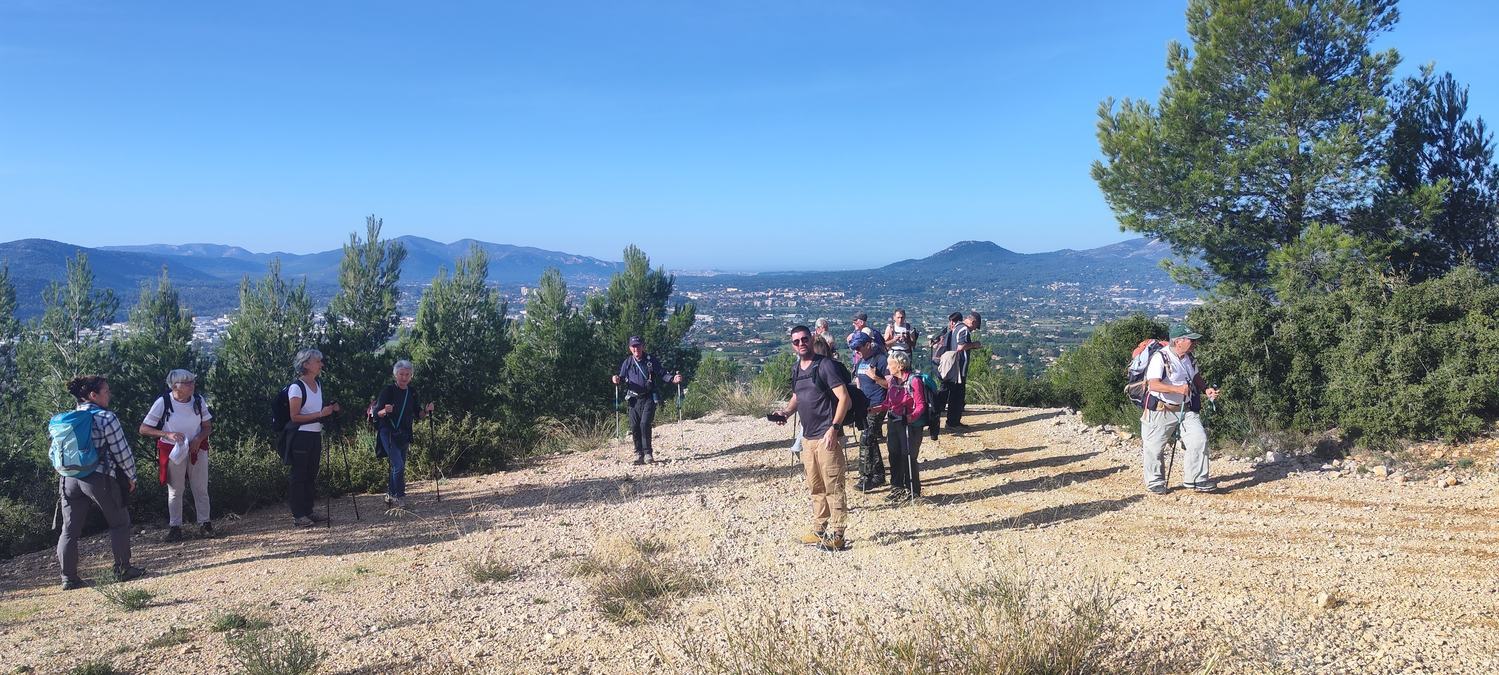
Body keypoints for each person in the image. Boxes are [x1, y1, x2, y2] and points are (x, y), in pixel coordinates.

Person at [56, 375, 145, 589]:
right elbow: (121, 451)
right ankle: (123, 569)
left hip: (69, 478)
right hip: (99, 477)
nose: (109, 395)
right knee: (119, 522)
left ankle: (68, 578)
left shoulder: (69, 418)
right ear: (92, 395)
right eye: (106, 392)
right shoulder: (106, 417)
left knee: (69, 529)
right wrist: (131, 476)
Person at [769, 325, 852, 551]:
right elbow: (797, 396)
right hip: (808, 438)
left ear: (812, 338)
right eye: (796, 341)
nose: (800, 344)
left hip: (827, 437)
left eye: (804, 339)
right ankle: (819, 529)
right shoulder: (797, 369)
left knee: (833, 486)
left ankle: (838, 534)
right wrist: (785, 413)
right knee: (815, 487)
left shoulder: (824, 366)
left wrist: (834, 428)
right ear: (792, 345)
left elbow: (844, 398)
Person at [1141, 323, 1221, 494]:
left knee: (1199, 440)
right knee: (1154, 447)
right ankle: (1155, 482)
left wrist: (1205, 389)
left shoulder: (1189, 358)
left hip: (1186, 409)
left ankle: (1197, 480)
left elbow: (1196, 376)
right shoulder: (1160, 358)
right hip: (1161, 409)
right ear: (1178, 341)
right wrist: (1177, 389)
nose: (1194, 343)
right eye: (1191, 340)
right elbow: (1153, 385)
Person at [138, 369, 214, 542]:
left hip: (197, 449)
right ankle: (175, 527)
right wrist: (166, 435)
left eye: (192, 382)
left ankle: (205, 524)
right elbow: (144, 429)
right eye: (187, 383)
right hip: (173, 450)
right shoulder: (163, 402)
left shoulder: (198, 400)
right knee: (175, 490)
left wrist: (198, 438)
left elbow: (207, 426)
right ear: (175, 386)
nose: (192, 386)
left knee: (201, 487)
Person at [287, 348, 339, 527]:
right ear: (306, 364)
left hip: (315, 434)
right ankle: (298, 514)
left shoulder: (318, 385)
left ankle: (308, 511)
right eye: (318, 361)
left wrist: (329, 410)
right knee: (299, 475)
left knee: (310, 474)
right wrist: (320, 414)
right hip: (301, 436)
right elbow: (294, 417)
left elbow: (315, 410)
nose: (321, 364)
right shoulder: (296, 387)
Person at [373, 360, 435, 508]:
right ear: (396, 375)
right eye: (401, 374)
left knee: (399, 466)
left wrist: (427, 411)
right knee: (398, 465)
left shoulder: (411, 392)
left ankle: (390, 494)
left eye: (407, 374)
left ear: (411, 376)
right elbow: (376, 413)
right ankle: (398, 497)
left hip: (404, 433)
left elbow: (418, 414)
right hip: (387, 432)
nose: (404, 377)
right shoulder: (388, 390)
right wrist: (384, 411)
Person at [611, 336, 681, 465]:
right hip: (633, 399)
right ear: (630, 348)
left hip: (649, 397)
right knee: (634, 426)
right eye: (633, 346)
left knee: (644, 424)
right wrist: (616, 379)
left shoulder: (650, 361)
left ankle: (648, 453)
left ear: (642, 346)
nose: (636, 348)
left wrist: (673, 379)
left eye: (638, 345)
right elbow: (621, 378)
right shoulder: (627, 362)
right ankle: (638, 453)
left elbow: (662, 373)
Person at [880, 352, 928, 503]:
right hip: (894, 421)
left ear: (900, 366)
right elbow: (889, 401)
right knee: (894, 455)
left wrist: (911, 417)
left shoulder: (914, 381)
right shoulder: (893, 381)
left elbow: (921, 405)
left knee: (908, 457)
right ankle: (897, 488)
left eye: (890, 364)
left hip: (909, 424)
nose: (888, 367)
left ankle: (913, 491)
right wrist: (875, 409)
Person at [848, 332, 889, 492]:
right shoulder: (860, 363)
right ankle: (879, 475)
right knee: (870, 439)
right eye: (854, 348)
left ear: (867, 345)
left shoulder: (881, 360)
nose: (856, 351)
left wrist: (876, 378)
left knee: (866, 439)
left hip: (878, 405)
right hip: (864, 406)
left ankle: (866, 477)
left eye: (858, 347)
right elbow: (859, 384)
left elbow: (890, 384)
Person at [941, 311, 983, 430]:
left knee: (955, 395)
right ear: (973, 321)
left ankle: (953, 421)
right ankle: (953, 423)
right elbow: (961, 346)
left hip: (954, 367)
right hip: (959, 368)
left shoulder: (956, 327)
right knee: (957, 396)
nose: (974, 329)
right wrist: (974, 344)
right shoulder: (963, 330)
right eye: (975, 326)